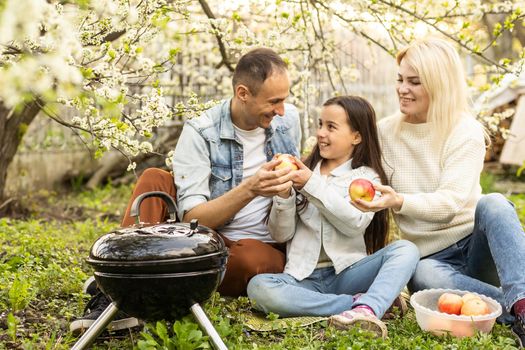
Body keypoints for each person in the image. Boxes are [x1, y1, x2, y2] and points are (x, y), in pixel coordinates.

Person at [70, 47, 301, 334]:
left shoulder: (289, 120)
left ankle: (139, 283)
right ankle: (117, 292)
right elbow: (194, 219)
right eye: (274, 101)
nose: (281, 109)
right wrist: (250, 188)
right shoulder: (202, 131)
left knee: (250, 259)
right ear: (243, 93)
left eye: (285, 99)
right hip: (202, 240)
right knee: (154, 178)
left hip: (256, 248)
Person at [352, 37, 525, 347]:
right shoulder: (386, 133)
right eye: (400, 79)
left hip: (476, 246)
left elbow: (451, 202)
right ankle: (514, 308)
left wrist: (400, 200)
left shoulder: (464, 130)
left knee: (495, 203)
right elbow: (359, 175)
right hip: (433, 261)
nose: (402, 89)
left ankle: (523, 304)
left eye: (414, 82)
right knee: (422, 275)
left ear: (438, 84)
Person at [246, 96, 420, 339]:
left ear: (356, 137)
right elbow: (281, 234)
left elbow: (353, 224)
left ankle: (366, 306)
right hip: (303, 278)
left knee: (406, 250)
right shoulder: (302, 171)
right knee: (259, 288)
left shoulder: (366, 179)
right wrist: (285, 195)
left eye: (331, 127)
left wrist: (311, 184)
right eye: (320, 125)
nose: (320, 134)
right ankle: (360, 306)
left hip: (348, 273)